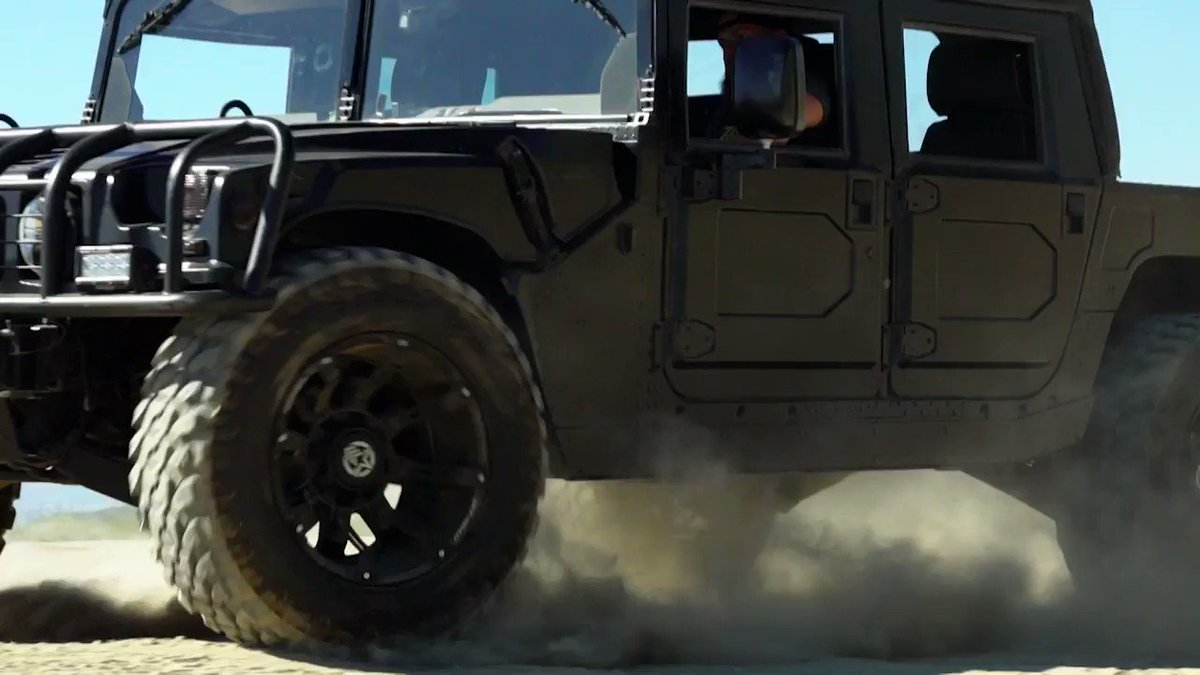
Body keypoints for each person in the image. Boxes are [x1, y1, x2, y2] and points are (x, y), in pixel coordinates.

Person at [710, 12, 832, 141]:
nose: (729, 51)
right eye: (723, 42)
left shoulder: (809, 77)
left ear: (778, 38)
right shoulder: (736, 94)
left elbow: (789, 117)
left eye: (741, 37)